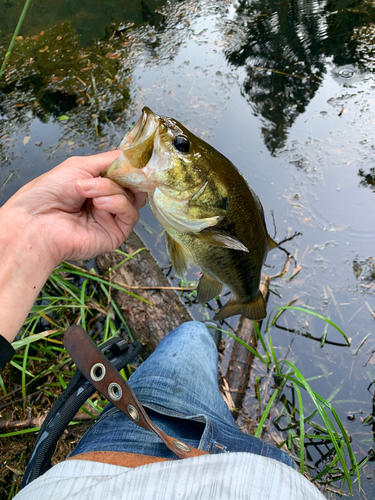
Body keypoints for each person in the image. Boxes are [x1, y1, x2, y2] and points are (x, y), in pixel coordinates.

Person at [0, 152, 326, 499]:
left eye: (180, 146)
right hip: (259, 469)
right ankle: (223, 405)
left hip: (106, 463)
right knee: (194, 334)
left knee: (192, 336)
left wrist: (31, 230)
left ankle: (236, 318)